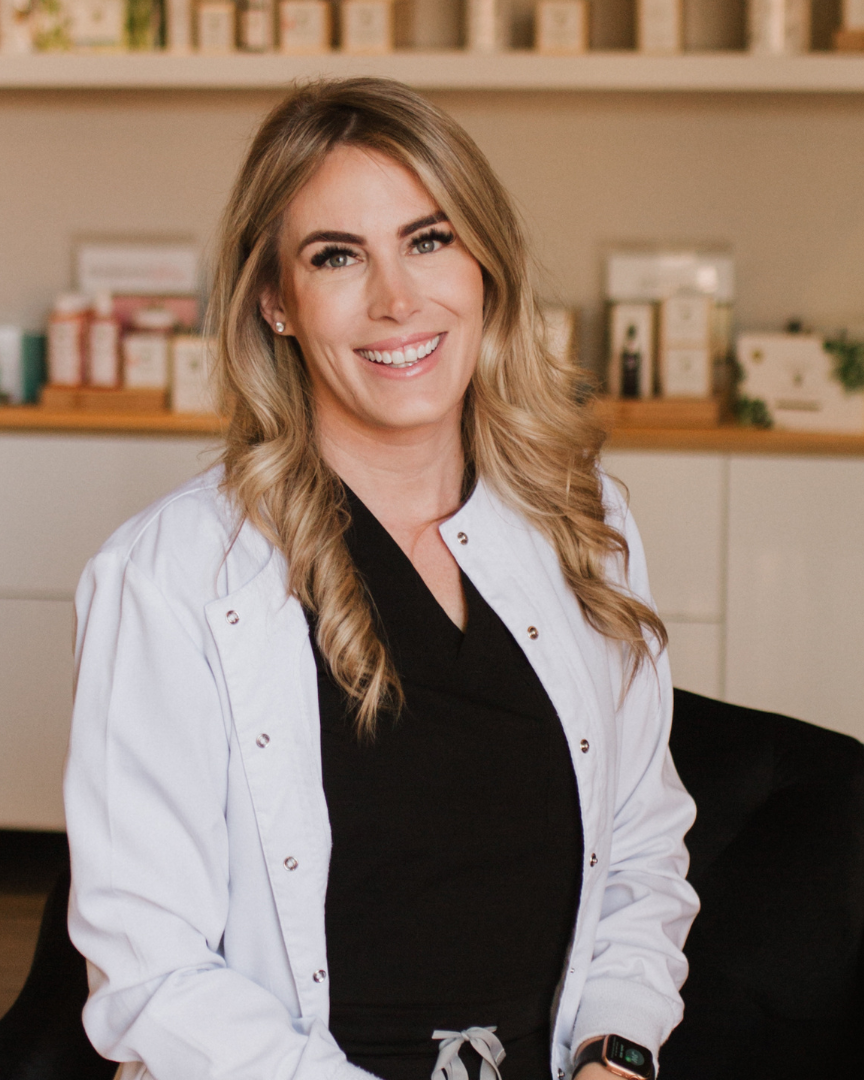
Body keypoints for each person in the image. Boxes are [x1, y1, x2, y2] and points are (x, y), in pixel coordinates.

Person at [64, 78, 698, 1080]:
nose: (398, 299)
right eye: (336, 257)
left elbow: (641, 852)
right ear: (274, 299)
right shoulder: (168, 579)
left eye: (429, 239)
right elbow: (151, 972)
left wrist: (614, 1051)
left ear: (485, 261)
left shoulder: (588, 526)